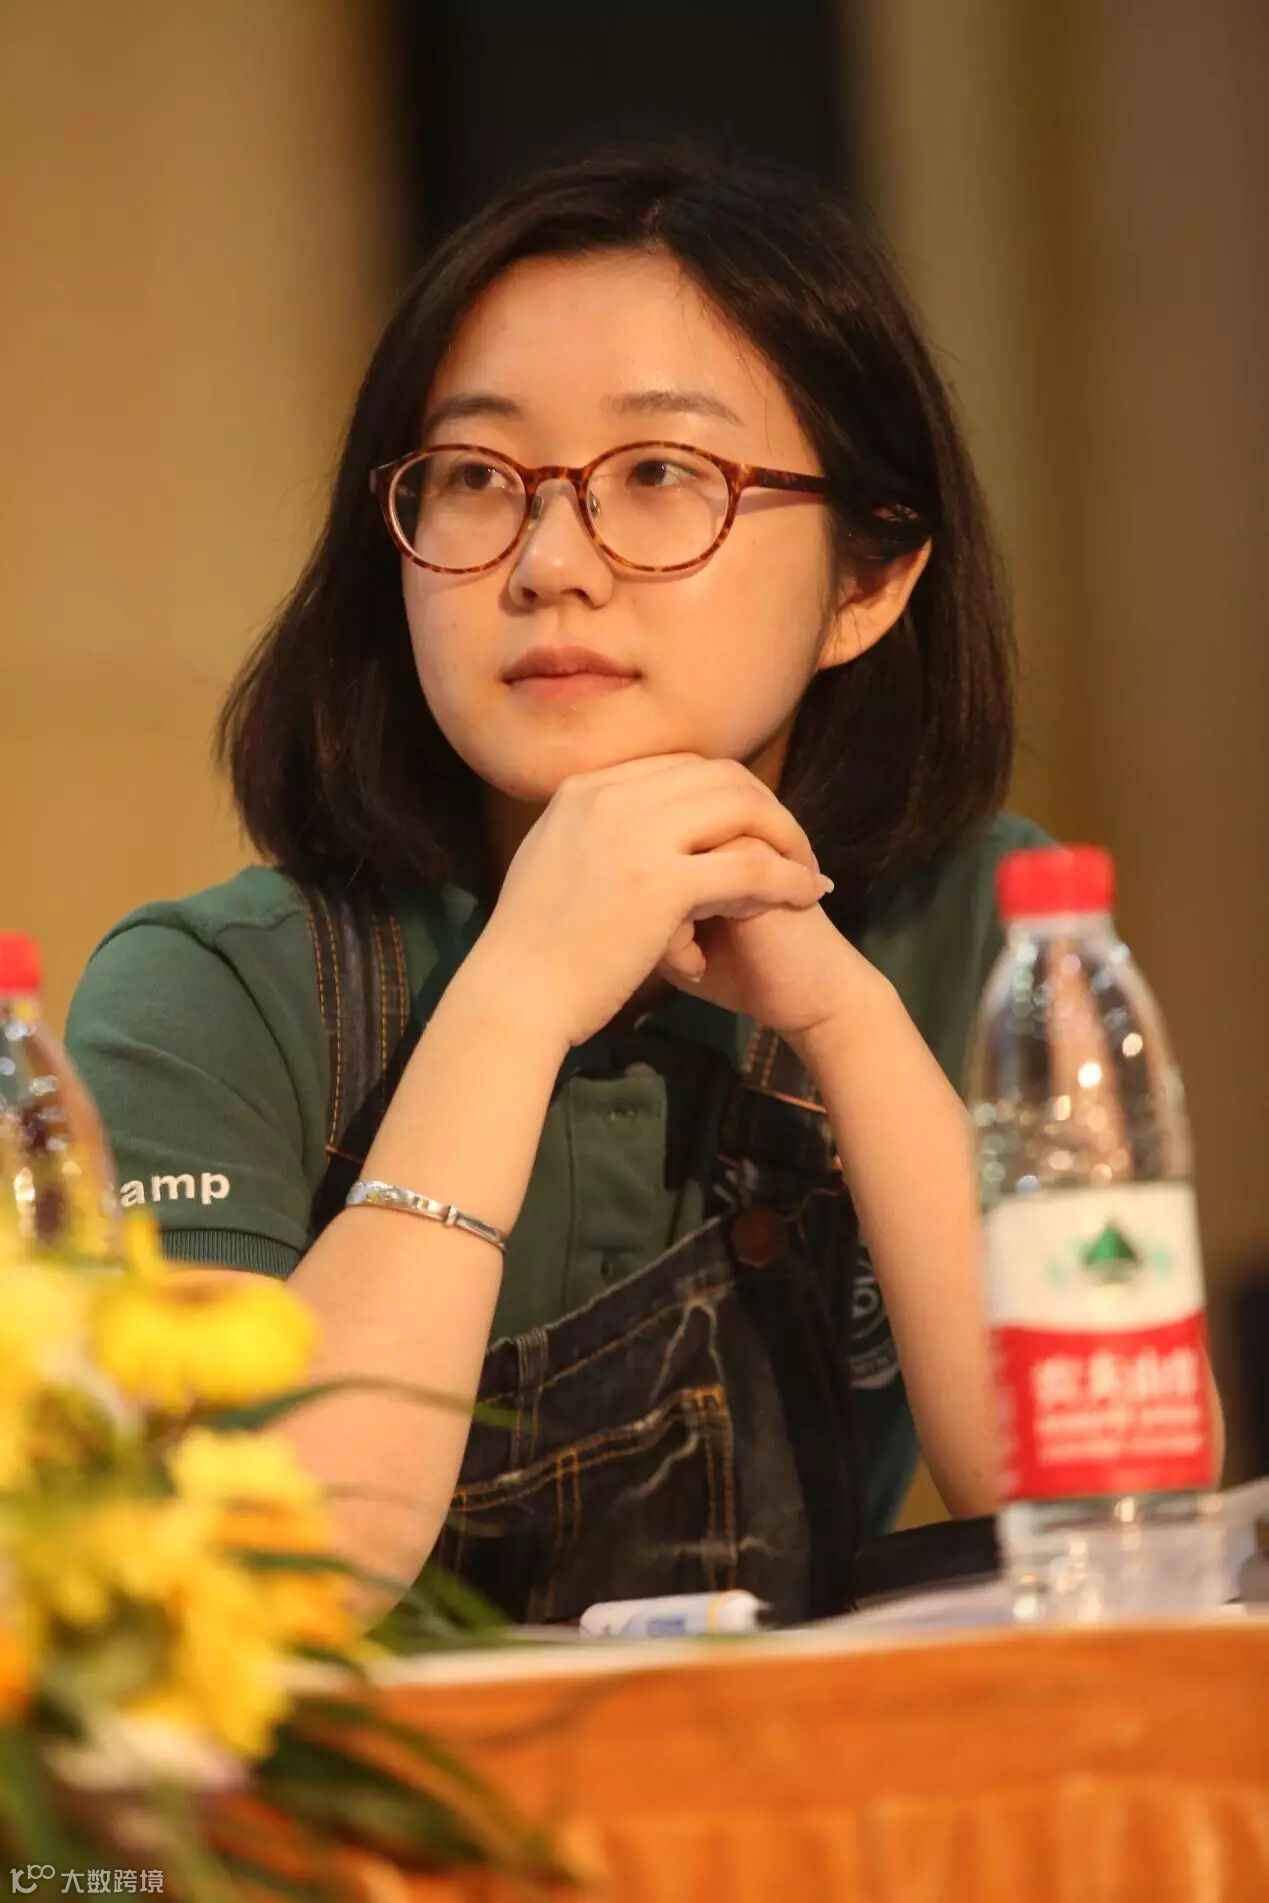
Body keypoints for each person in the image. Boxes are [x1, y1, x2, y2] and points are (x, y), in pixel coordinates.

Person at [66, 142, 1053, 1631]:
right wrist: (517, 997)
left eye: (659, 475)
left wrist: (853, 1029)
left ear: (867, 580)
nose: (549, 561)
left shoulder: (984, 923)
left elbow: (1102, 1510)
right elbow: (258, 1581)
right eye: (477, 478)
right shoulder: (206, 999)